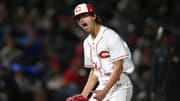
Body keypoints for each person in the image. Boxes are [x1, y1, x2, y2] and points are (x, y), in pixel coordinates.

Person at [68, 1, 135, 101]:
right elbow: (94, 71)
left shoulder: (110, 36)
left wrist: (104, 92)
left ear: (94, 16)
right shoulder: (87, 43)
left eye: (84, 16)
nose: (81, 20)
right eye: (78, 19)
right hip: (102, 85)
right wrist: (83, 95)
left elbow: (118, 67)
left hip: (120, 85)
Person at [151, 26, 180, 101]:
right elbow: (155, 72)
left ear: (170, 37)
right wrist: (153, 90)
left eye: (164, 37)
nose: (163, 40)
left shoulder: (177, 51)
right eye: (161, 38)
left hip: (176, 89)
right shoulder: (159, 53)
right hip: (162, 90)